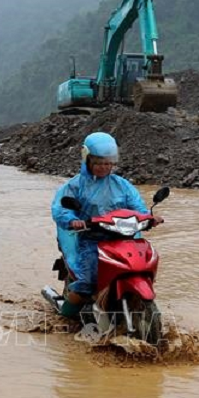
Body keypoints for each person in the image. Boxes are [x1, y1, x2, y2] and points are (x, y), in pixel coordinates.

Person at [51, 132, 163, 316]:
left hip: (122, 237)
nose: (104, 167)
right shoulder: (74, 186)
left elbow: (137, 206)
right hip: (91, 239)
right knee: (87, 282)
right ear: (87, 160)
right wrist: (73, 220)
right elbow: (61, 208)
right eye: (99, 163)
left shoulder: (122, 185)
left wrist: (149, 218)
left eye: (108, 163)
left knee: (141, 265)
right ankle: (66, 315)